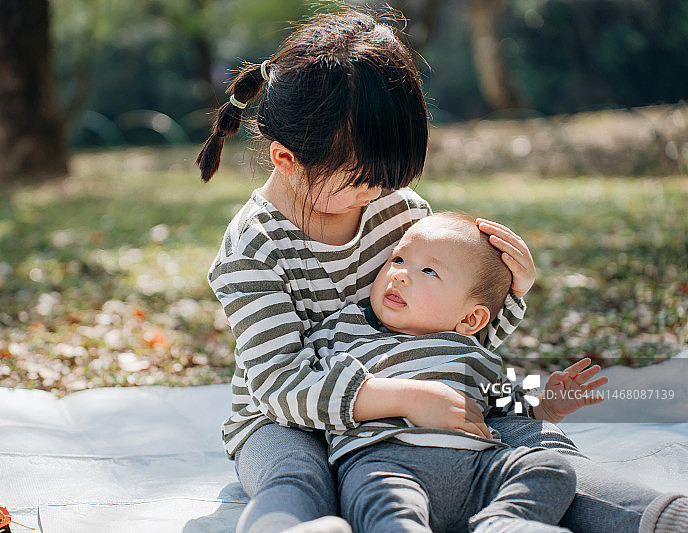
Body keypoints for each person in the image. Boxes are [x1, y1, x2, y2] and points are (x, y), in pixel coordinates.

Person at [197, 10, 688, 533]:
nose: (379, 193)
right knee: (296, 473)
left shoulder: (399, 211)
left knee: (534, 447)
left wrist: (510, 294)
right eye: (362, 181)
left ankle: (654, 516)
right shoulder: (254, 246)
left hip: (414, 388)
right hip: (288, 414)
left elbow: (447, 337)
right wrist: (409, 398)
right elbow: (278, 383)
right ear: (287, 158)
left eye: (390, 178)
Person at [308, 211, 594, 532]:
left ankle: (502, 523)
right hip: (384, 460)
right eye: (399, 259)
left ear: (470, 320)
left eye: (429, 271)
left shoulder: (468, 352)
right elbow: (307, 382)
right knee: (385, 508)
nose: (400, 275)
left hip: (474, 467)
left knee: (552, 467)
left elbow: (498, 400)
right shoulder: (344, 329)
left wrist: (547, 407)